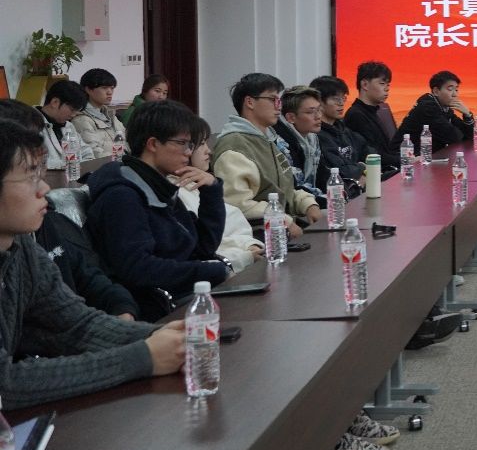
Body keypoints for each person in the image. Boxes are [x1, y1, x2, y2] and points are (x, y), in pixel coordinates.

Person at [0, 119, 187, 409]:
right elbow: (5, 386)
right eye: (30, 177)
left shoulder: (21, 248)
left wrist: (162, 337)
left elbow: (77, 325)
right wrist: (143, 357)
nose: (44, 188)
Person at [86, 101, 229, 321]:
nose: (188, 152)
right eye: (182, 143)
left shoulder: (158, 185)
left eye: (190, 144)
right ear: (152, 144)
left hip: (184, 296)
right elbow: (137, 268)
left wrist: (211, 190)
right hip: (159, 309)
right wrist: (209, 271)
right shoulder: (122, 196)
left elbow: (202, 247)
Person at [0, 100, 139, 320]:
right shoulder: (21, 241)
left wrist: (123, 309)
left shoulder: (46, 227)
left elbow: (87, 288)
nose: (44, 187)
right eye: (30, 172)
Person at [211, 73, 319, 235]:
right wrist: (285, 220)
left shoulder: (266, 140)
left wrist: (307, 203)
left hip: (281, 227)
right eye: (272, 99)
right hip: (258, 235)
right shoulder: (234, 146)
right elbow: (237, 205)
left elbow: (282, 190)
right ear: (250, 102)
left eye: (279, 100)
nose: (279, 106)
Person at [177, 115, 262, 273]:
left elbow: (234, 223)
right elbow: (208, 246)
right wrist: (245, 255)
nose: (208, 151)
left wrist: (250, 245)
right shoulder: (178, 193)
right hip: (222, 270)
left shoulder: (200, 186)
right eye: (201, 144)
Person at [392, 70, 476, 154]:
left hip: (426, 155)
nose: (455, 94)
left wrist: (467, 115)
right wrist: (462, 132)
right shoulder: (427, 108)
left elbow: (471, 135)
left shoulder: (444, 107)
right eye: (450, 89)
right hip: (403, 157)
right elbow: (454, 137)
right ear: (436, 91)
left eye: (456, 90)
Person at [311, 75, 368, 196]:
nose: (341, 103)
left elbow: (370, 153)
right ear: (319, 102)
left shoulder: (342, 128)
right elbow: (341, 170)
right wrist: (361, 168)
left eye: (343, 98)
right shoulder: (317, 135)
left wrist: (363, 170)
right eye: (336, 99)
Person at [273, 86, 325, 204]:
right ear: (291, 117)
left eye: (319, 110)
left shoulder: (312, 139)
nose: (318, 116)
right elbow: (294, 185)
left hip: (310, 201)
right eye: (310, 112)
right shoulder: (280, 143)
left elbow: (323, 175)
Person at [344, 61, 399, 171]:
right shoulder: (356, 115)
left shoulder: (374, 111)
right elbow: (372, 156)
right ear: (365, 85)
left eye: (388, 84)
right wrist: (406, 160)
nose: (387, 88)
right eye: (382, 83)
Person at [71, 67, 128, 161]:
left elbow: (126, 143)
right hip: (105, 167)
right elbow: (95, 153)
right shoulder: (81, 119)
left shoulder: (111, 115)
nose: (110, 92)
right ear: (88, 89)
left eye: (112, 88)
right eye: (104, 88)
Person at [38, 79, 89, 170]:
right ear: (55, 102)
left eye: (77, 111)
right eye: (72, 110)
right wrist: (68, 164)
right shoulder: (29, 125)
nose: (73, 115)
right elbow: (32, 161)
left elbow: (86, 152)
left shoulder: (69, 126)